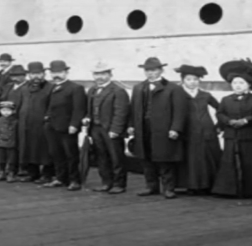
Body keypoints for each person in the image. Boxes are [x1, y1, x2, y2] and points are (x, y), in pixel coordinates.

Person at [128, 57, 188, 199]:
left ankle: (169, 188)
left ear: (161, 70)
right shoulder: (138, 88)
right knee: (146, 158)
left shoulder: (173, 88)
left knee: (165, 159)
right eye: (147, 70)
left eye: (154, 70)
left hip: (163, 129)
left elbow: (179, 111)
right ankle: (151, 186)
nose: (150, 73)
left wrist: (175, 128)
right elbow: (132, 109)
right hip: (143, 128)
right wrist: (131, 125)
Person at [212, 59, 252, 199]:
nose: (237, 86)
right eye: (235, 83)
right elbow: (219, 113)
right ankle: (229, 190)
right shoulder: (226, 99)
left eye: (241, 83)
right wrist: (228, 121)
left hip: (250, 136)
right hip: (231, 135)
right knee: (229, 162)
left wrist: (246, 120)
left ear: (249, 85)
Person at [82, 62, 130, 194]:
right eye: (97, 74)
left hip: (111, 129)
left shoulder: (118, 91)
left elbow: (121, 112)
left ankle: (119, 184)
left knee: (116, 157)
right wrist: (87, 117)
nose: (100, 77)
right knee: (101, 157)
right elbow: (89, 109)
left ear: (110, 75)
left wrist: (116, 130)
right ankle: (106, 182)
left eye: (103, 74)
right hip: (96, 128)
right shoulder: (92, 90)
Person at [174, 65, 222, 194]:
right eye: (189, 79)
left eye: (195, 79)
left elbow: (221, 109)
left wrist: (219, 125)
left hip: (207, 131)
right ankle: (191, 186)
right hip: (187, 131)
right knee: (191, 159)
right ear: (183, 80)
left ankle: (208, 185)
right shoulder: (177, 94)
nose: (192, 82)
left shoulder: (205, 95)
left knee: (207, 158)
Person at [43, 60, 87, 191]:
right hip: (52, 126)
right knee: (56, 153)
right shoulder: (51, 87)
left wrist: (74, 124)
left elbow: (79, 109)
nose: (56, 75)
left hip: (68, 127)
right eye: (53, 72)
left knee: (71, 154)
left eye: (59, 72)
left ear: (66, 72)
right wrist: (47, 119)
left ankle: (74, 180)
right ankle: (60, 178)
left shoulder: (75, 88)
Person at [18, 62, 55, 184]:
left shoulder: (50, 88)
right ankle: (32, 173)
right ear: (28, 75)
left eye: (39, 73)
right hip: (26, 124)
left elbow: (52, 106)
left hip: (42, 124)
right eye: (33, 74)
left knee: (45, 150)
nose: (36, 76)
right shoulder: (24, 88)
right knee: (28, 148)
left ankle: (47, 174)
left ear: (44, 74)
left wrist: (47, 118)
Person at [0, 101, 19, 182]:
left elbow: (18, 134)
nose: (5, 113)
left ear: (13, 111)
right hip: (0, 143)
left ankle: (11, 173)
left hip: (12, 144)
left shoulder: (16, 121)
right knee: (1, 159)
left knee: (12, 160)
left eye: (8, 110)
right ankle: (2, 172)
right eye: (3, 110)